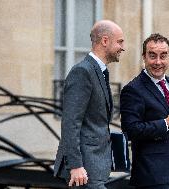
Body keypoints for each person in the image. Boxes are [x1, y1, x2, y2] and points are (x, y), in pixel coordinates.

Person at [54, 20, 125, 189]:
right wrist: (76, 165)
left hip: (97, 168)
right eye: (120, 41)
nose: (123, 47)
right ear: (105, 41)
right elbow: (70, 123)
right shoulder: (83, 71)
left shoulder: (99, 71)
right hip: (84, 171)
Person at [120, 33, 169, 189]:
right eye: (152, 56)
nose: (158, 62)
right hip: (152, 177)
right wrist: (165, 123)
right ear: (144, 57)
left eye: (163, 56)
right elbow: (131, 130)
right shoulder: (132, 89)